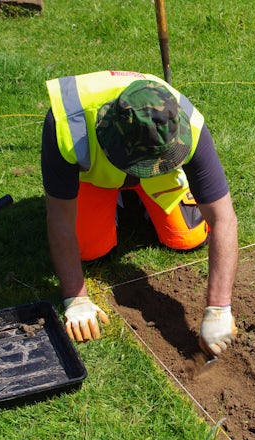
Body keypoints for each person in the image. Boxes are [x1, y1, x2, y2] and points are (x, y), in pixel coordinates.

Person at [40, 70, 238, 356]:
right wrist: (76, 298)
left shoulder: (189, 124)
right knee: (88, 250)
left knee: (189, 237)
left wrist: (219, 308)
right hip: (95, 178)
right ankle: (119, 200)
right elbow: (60, 219)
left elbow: (223, 219)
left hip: (160, 177)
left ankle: (135, 202)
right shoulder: (68, 125)